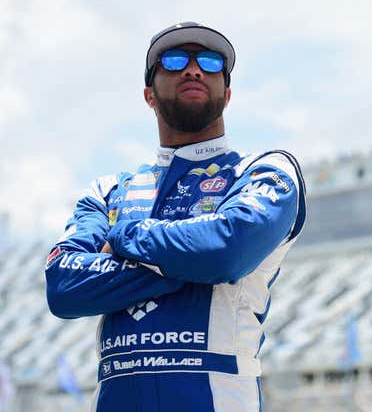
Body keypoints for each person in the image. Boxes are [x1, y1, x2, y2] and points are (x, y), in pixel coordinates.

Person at [44, 21, 306, 412]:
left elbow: (225, 251)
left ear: (228, 94)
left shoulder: (266, 170)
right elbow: (65, 286)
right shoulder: (110, 189)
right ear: (149, 95)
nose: (194, 68)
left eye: (212, 62)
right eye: (174, 59)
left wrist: (122, 237)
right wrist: (187, 264)